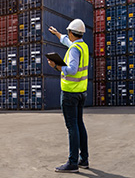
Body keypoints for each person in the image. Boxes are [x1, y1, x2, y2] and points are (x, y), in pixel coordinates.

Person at [47, 18, 89, 173]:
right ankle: (83, 159)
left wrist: (56, 66)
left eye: (67, 32)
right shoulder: (82, 46)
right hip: (81, 92)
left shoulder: (74, 50)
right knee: (79, 124)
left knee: (72, 127)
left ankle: (72, 162)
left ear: (71, 32)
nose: (67, 34)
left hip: (70, 93)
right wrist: (57, 34)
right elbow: (67, 42)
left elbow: (71, 69)